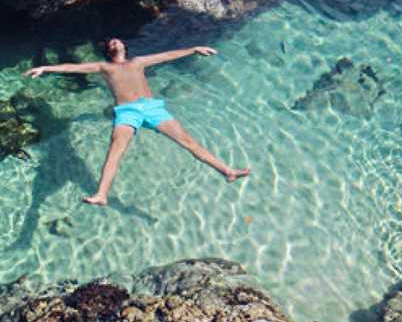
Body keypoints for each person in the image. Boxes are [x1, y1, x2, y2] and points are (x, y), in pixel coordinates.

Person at [23, 38, 250, 206]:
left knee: (189, 143)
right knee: (115, 152)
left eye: (117, 40)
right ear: (109, 51)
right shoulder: (105, 67)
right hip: (126, 112)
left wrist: (193, 49)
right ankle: (101, 194)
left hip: (152, 109)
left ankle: (227, 171)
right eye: (111, 42)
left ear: (124, 47)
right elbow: (73, 68)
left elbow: (165, 55)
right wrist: (46, 68)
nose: (115, 42)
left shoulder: (137, 62)